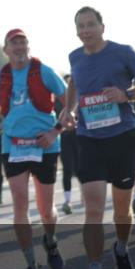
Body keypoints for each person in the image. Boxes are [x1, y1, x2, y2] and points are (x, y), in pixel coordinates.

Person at [59, 7, 135, 269]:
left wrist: (126, 95)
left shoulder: (122, 53)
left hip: (123, 136)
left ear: (102, 27)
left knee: (121, 210)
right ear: (76, 30)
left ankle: (122, 248)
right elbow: (74, 84)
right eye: (81, 26)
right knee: (92, 208)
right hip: (90, 139)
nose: (86, 30)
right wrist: (69, 109)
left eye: (91, 25)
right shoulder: (75, 57)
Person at [0, 29, 67, 269]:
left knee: (46, 209)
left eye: (23, 42)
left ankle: (50, 240)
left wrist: (55, 132)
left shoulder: (43, 71)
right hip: (13, 144)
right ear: (6, 50)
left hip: (45, 145)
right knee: (20, 203)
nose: (19, 47)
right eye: (14, 43)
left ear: (28, 46)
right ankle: (32, 268)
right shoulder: (0, 76)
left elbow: (67, 101)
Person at [57, 74, 80, 216]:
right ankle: (67, 201)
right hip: (64, 137)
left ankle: (85, 195)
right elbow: (56, 117)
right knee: (67, 169)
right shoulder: (58, 101)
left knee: (81, 167)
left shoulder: (80, 96)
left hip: (80, 136)